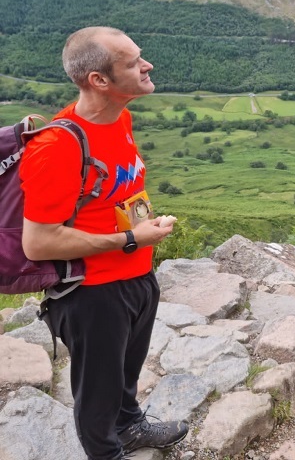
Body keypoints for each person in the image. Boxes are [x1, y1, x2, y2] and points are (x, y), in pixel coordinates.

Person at [20, 27, 188, 460]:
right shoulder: (56, 146)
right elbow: (38, 243)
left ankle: (130, 427)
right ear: (99, 80)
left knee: (124, 376)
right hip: (92, 294)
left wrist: (140, 234)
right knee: (96, 394)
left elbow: (114, 192)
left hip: (135, 277)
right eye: (133, 63)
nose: (147, 65)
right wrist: (132, 237)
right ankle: (106, 452)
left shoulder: (121, 118)